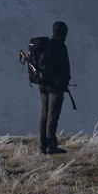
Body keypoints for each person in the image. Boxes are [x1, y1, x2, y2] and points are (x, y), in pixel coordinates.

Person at [25, 20, 72, 154]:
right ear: (64, 33)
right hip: (55, 87)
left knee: (44, 114)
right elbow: (65, 68)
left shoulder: (46, 45)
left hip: (42, 84)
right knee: (53, 115)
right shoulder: (60, 46)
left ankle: (42, 145)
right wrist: (64, 82)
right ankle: (51, 145)